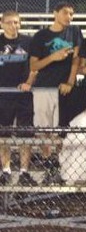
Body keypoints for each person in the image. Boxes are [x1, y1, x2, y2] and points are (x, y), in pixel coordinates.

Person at [29, 2, 83, 185]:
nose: (69, 17)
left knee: (60, 131)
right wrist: (53, 57)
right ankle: (47, 168)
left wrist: (70, 81)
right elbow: (34, 65)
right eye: (66, 13)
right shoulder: (41, 36)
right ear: (55, 13)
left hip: (64, 89)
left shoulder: (75, 32)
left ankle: (59, 168)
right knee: (44, 130)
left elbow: (76, 60)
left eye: (72, 14)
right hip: (44, 88)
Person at [0, 11, 38, 186]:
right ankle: (6, 170)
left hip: (23, 95)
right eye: (9, 22)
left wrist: (28, 82)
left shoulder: (28, 42)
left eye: (16, 22)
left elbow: (34, 67)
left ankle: (24, 172)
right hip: (3, 94)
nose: (13, 26)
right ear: (2, 24)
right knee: (3, 133)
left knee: (26, 133)